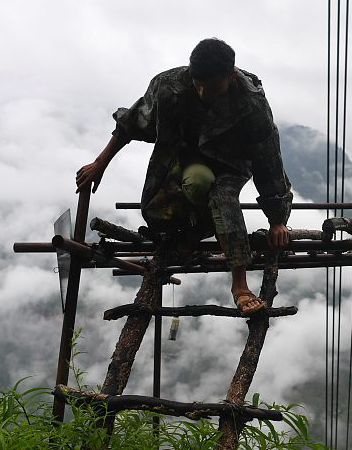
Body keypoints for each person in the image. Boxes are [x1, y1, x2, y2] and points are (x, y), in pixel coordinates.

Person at [75, 38, 292, 316]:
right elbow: (131, 123)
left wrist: (277, 220)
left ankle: (240, 285)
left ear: (231, 76)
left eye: (211, 87)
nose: (202, 93)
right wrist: (99, 164)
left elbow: (268, 159)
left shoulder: (251, 103)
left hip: (230, 163)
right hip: (181, 160)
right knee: (170, 203)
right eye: (198, 84)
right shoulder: (169, 86)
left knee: (222, 198)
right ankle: (191, 232)